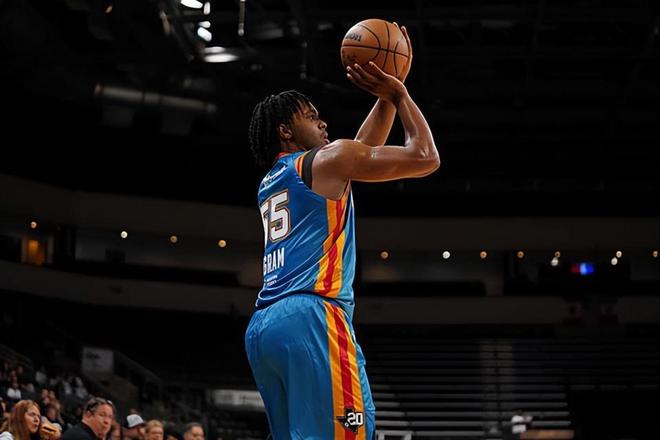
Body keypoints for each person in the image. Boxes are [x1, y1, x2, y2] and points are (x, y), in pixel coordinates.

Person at [244, 24, 439, 440]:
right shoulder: (326, 160)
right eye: (310, 116)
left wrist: (385, 95)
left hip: (264, 328)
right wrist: (400, 94)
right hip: (312, 316)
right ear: (285, 130)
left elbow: (359, 150)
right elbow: (425, 157)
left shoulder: (274, 179)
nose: (323, 122)